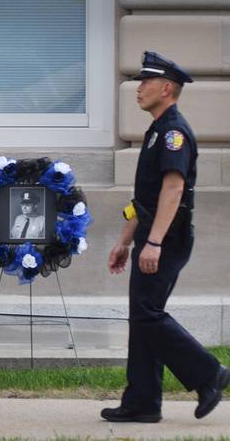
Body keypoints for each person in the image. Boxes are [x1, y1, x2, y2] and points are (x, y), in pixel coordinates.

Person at [101, 51, 228, 423]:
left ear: (167, 88)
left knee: (146, 315)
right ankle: (142, 401)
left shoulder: (173, 133)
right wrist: (126, 240)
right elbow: (145, 198)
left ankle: (208, 374)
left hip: (167, 239)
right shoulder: (157, 130)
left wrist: (153, 242)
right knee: (143, 317)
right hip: (155, 234)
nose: (138, 89)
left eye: (145, 82)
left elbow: (172, 191)